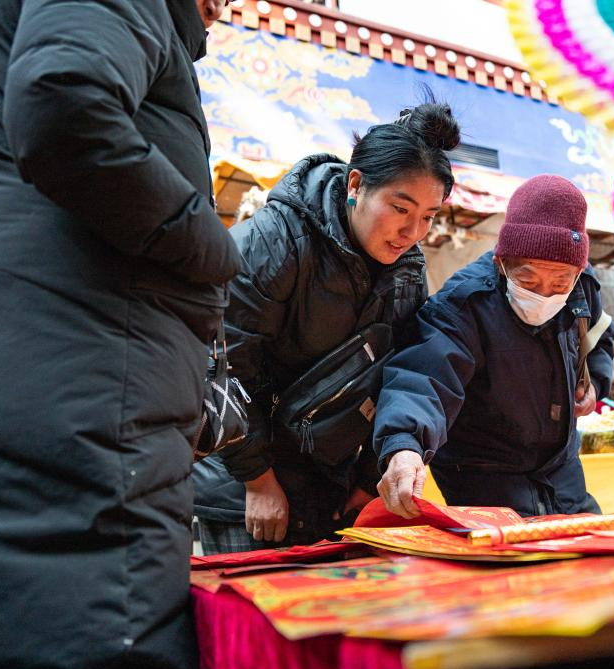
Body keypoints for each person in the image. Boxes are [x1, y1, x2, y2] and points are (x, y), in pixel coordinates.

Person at [0, 1, 240, 669]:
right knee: (77, 628)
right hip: (79, 375)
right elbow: (65, 102)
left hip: (75, 372)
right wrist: (210, 249)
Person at [192, 101, 460, 553]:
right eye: (400, 208)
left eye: (429, 217)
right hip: (242, 482)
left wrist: (368, 477)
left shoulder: (408, 267)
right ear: (356, 184)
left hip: (328, 482)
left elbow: (403, 371)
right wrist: (258, 480)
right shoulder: (275, 240)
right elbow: (221, 361)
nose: (412, 232)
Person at [373, 174, 614, 518]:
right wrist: (405, 446)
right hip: (481, 473)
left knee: (587, 548)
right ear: (501, 263)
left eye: (559, 281)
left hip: (560, 467)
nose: (544, 293)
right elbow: (424, 377)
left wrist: (593, 381)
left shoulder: (582, 288)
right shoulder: (463, 304)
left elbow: (599, 336)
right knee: (510, 562)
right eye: (528, 279)